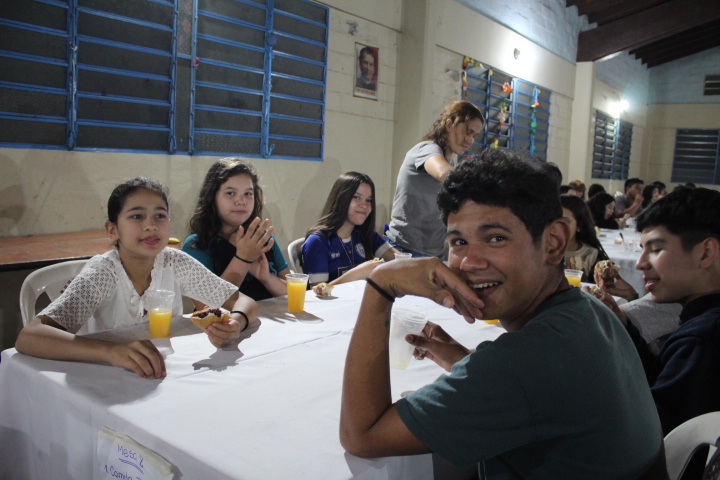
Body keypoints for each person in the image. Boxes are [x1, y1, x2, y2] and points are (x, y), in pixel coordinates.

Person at [339, 150, 667, 479]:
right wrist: (466, 360)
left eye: (496, 238)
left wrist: (381, 285)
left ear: (554, 243)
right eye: (459, 242)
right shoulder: (591, 310)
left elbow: (363, 436)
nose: (470, 262)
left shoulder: (524, 364)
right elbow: (537, 394)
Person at [15, 178, 258, 379]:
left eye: (160, 216)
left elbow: (244, 301)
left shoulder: (174, 262)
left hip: (161, 373)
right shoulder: (103, 273)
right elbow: (29, 337)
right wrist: (111, 352)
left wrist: (236, 323)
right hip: (102, 378)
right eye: (137, 216)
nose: (151, 226)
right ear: (113, 230)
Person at [591, 187, 720, 435]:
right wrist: (623, 325)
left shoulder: (703, 338)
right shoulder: (699, 322)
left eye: (656, 249)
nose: (640, 263)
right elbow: (661, 377)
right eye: (641, 249)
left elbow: (654, 428)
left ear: (705, 253)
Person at [385, 100, 484, 257]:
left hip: (434, 251)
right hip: (404, 248)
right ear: (449, 124)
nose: (470, 140)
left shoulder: (451, 162)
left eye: (474, 135)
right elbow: (443, 173)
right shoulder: (427, 149)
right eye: (468, 131)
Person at [183, 158, 290, 302]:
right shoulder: (197, 245)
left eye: (248, 194)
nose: (241, 201)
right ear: (212, 197)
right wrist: (243, 258)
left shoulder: (262, 237)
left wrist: (266, 277)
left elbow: (295, 294)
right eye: (230, 193)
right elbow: (207, 306)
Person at [302, 172, 396, 288]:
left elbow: (399, 259)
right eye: (356, 197)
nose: (364, 205)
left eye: (369, 200)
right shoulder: (318, 241)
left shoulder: (365, 234)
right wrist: (356, 274)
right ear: (341, 199)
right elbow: (318, 291)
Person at [560, 194, 609, 281]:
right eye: (552, 221)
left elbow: (599, 286)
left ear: (579, 225)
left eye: (565, 222)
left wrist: (578, 275)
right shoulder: (542, 251)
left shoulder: (591, 255)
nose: (557, 227)